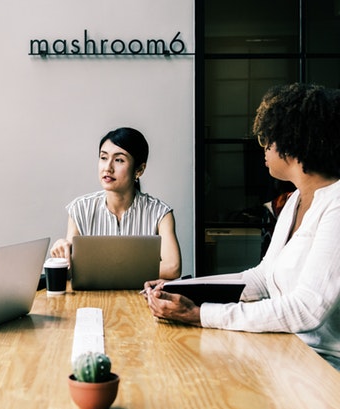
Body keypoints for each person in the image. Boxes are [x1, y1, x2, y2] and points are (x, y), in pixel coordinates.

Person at [144, 83, 340, 371]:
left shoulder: (336, 205)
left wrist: (201, 314)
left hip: (322, 369)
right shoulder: (296, 198)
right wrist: (179, 287)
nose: (263, 148)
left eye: (266, 138)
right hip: (285, 351)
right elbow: (260, 279)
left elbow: (306, 310)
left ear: (293, 142)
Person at [50, 127, 182, 280]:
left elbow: (173, 267)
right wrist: (61, 250)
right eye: (103, 158)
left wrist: (103, 268)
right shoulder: (80, 209)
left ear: (139, 170)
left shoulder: (160, 213)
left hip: (141, 300)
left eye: (119, 160)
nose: (108, 168)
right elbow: (71, 270)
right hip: (91, 302)